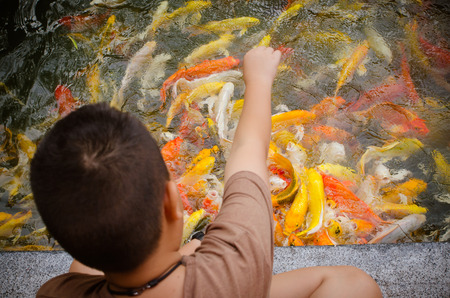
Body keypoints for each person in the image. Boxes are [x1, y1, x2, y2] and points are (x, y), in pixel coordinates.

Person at [32, 46, 382, 297]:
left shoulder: (57, 291)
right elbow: (247, 154)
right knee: (354, 285)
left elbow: (86, 261)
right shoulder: (231, 268)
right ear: (173, 200)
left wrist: (181, 256)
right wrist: (259, 81)